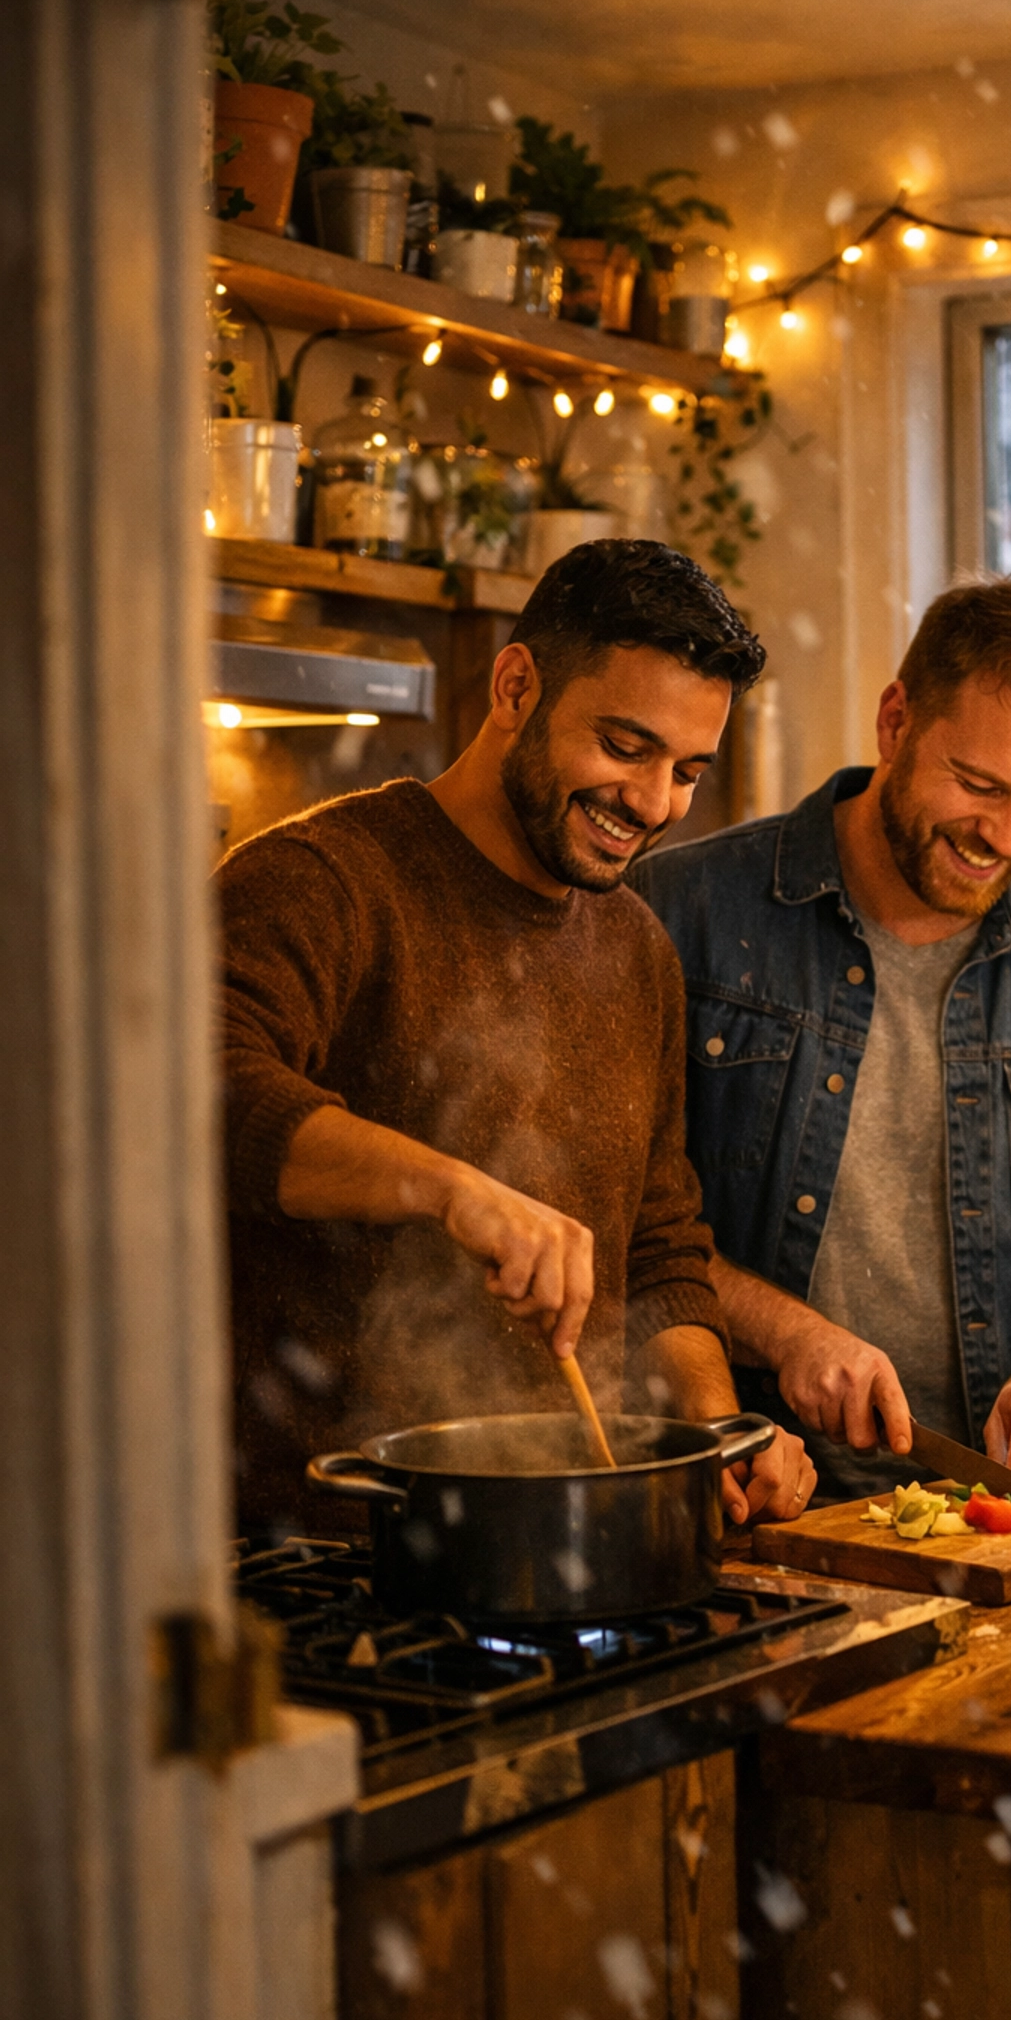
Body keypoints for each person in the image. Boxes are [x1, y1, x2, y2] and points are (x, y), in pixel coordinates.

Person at [221, 539, 813, 1537]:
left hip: (560, 1544)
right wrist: (454, 1191)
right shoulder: (321, 881)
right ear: (514, 685)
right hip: (320, 1545)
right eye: (625, 748)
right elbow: (196, 1096)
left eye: (689, 771)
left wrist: (718, 1438)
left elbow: (663, 1252)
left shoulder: (637, 950)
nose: (654, 802)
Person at [633, 576, 1011, 1501]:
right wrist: (788, 1335)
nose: (1003, 834)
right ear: (896, 721)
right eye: (979, 785)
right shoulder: (680, 917)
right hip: (761, 1503)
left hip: (1010, 1514)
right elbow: (618, 1219)